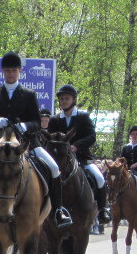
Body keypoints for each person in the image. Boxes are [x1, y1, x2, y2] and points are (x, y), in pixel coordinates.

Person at [0, 50, 72, 233]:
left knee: (54, 168)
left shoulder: (28, 94)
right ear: (3, 72)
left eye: (13, 70)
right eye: (7, 70)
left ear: (19, 71)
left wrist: (25, 126)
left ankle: (58, 211)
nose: (10, 74)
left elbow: (37, 122)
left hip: (27, 143)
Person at [47, 84, 111, 224]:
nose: (64, 101)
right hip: (60, 159)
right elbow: (50, 138)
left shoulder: (83, 117)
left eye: (67, 98)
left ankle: (102, 210)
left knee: (99, 178)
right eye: (62, 99)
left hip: (82, 157)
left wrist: (76, 146)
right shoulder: (54, 119)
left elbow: (91, 136)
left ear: (74, 100)